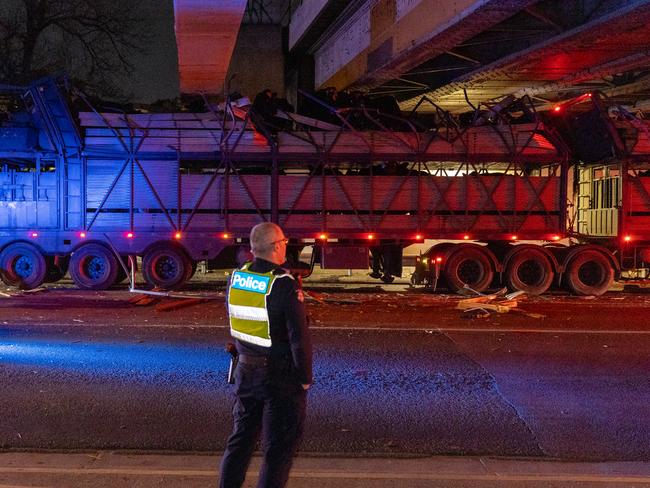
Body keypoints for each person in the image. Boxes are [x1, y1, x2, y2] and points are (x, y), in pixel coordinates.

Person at [219, 222, 313, 488]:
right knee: (277, 449)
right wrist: (304, 378)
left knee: (240, 442)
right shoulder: (284, 285)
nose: (286, 245)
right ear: (275, 247)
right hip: (279, 378)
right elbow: (299, 338)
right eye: (284, 241)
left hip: (245, 372)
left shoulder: (237, 278)